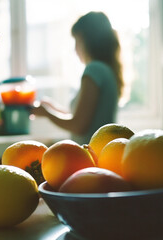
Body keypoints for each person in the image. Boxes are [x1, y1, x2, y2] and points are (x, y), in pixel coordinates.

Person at [31, 11, 124, 144]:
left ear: (89, 41)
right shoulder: (106, 70)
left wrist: (47, 113)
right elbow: (86, 118)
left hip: (90, 156)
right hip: (100, 153)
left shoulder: (94, 70)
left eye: (77, 41)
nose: (75, 49)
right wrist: (53, 108)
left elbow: (78, 126)